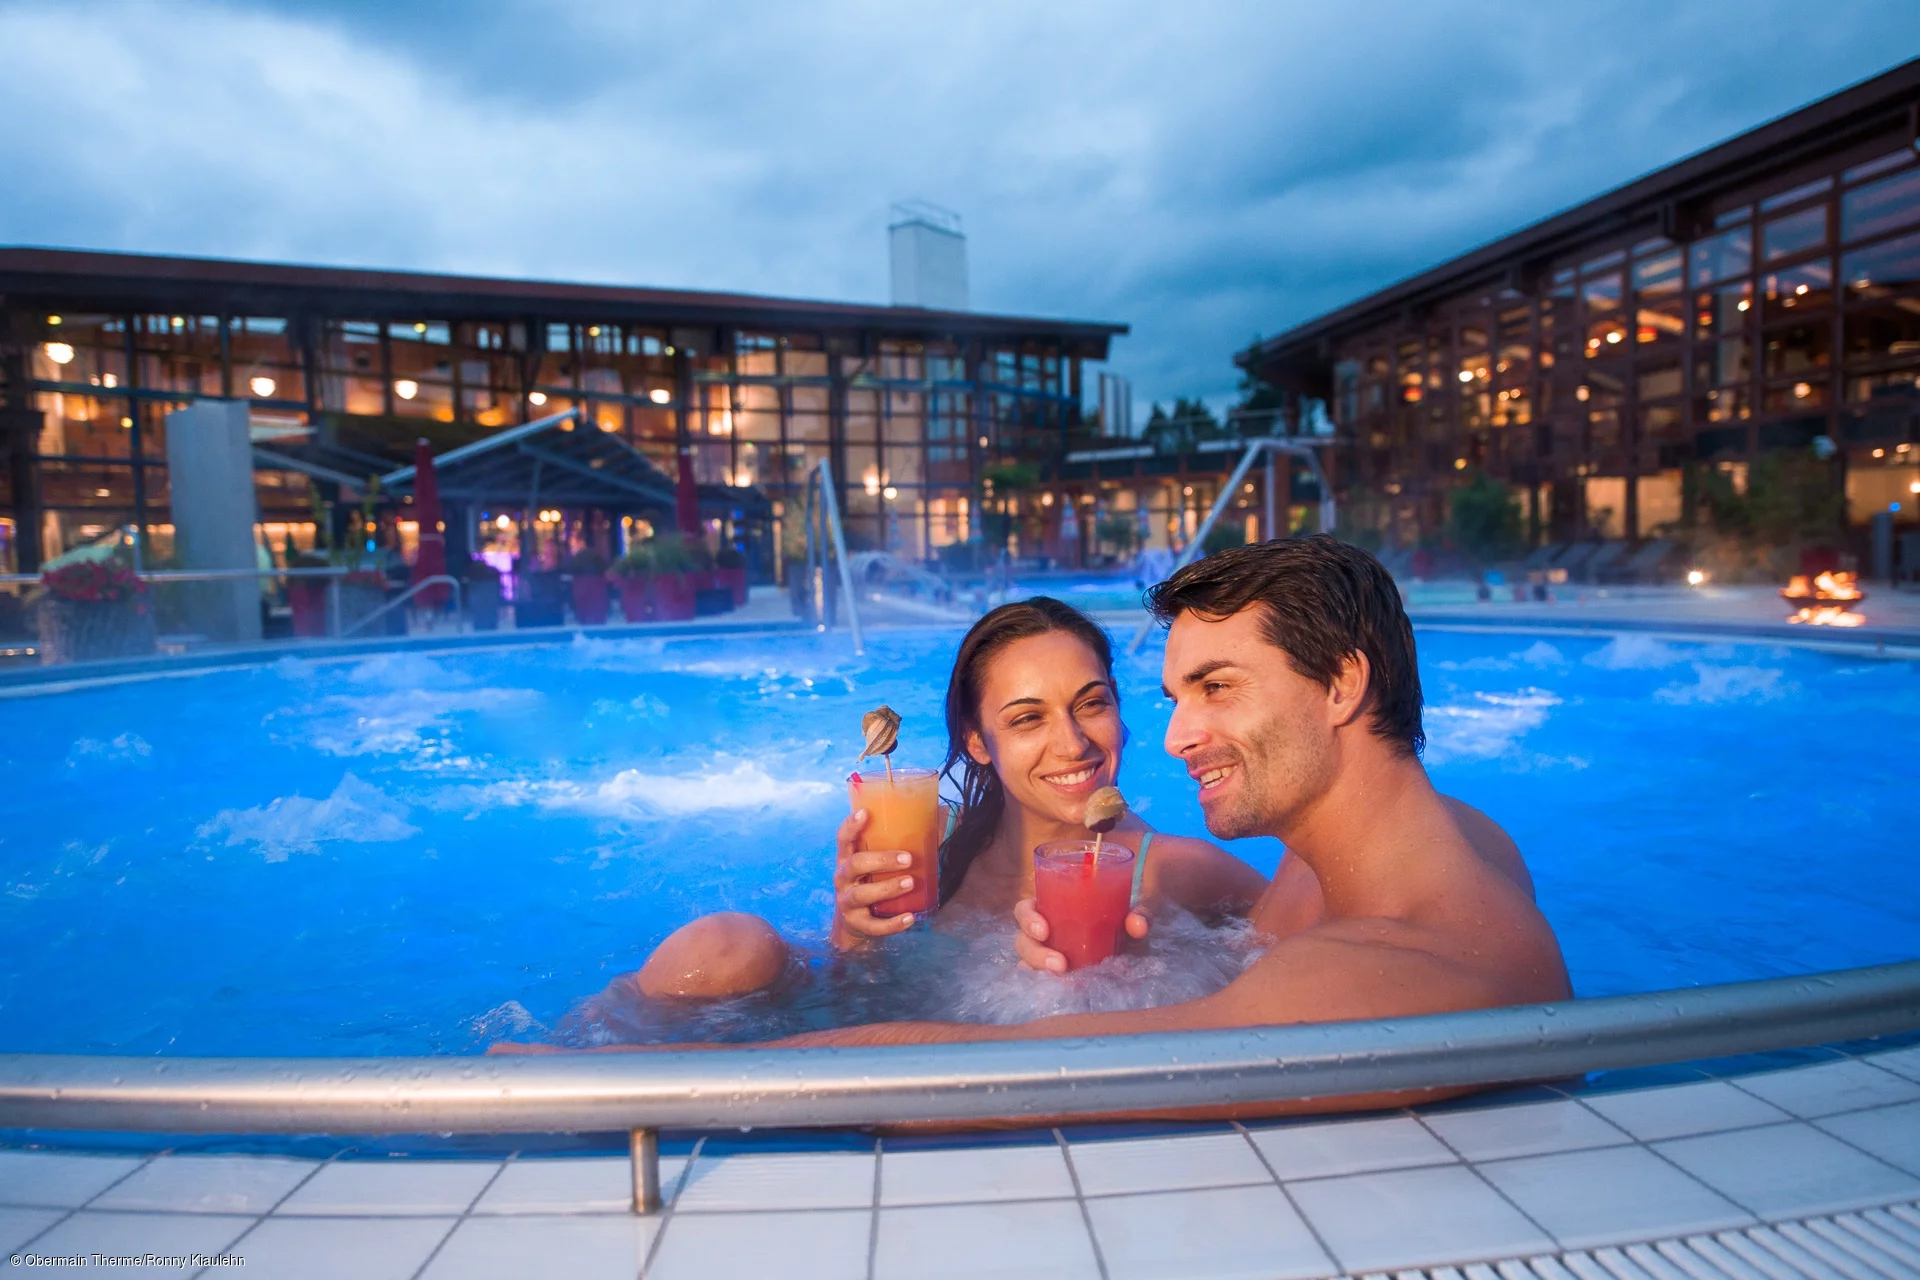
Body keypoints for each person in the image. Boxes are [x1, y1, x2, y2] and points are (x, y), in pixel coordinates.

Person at [737, 536, 1569, 1119]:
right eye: (1174, 699)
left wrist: (657, 1084)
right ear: (977, 742)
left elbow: (1010, 1080)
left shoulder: (1382, 976)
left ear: (1343, 684)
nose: (1172, 739)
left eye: (1218, 687)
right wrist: (1144, 971)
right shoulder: (1426, 842)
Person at [560, 597, 1268, 1012]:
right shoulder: (929, 839)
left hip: (1016, 1094)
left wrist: (1149, 976)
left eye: (1092, 704)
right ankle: (588, 1064)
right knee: (722, 944)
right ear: (979, 742)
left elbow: (1303, 957)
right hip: (874, 1050)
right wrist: (854, 935)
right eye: (1027, 719)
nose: (1073, 742)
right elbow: (850, 997)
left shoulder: (1176, 870)